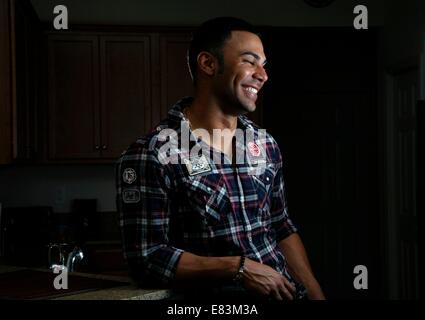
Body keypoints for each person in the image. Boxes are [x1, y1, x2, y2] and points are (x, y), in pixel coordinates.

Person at [116, 17, 325, 300]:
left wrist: (315, 294)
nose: (262, 75)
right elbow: (147, 258)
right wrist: (239, 268)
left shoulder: (265, 144)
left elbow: (281, 226)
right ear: (208, 64)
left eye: (264, 65)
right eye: (250, 61)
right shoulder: (153, 154)